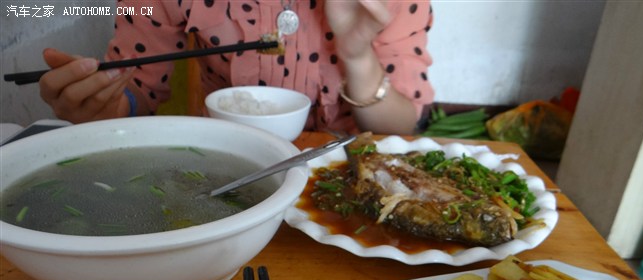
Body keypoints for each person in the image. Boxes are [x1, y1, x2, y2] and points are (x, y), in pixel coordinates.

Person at [39, 0, 434, 135]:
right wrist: (105, 104)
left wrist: (358, 55)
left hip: (349, 174)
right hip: (221, 166)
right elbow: (137, 86)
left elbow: (401, 126)